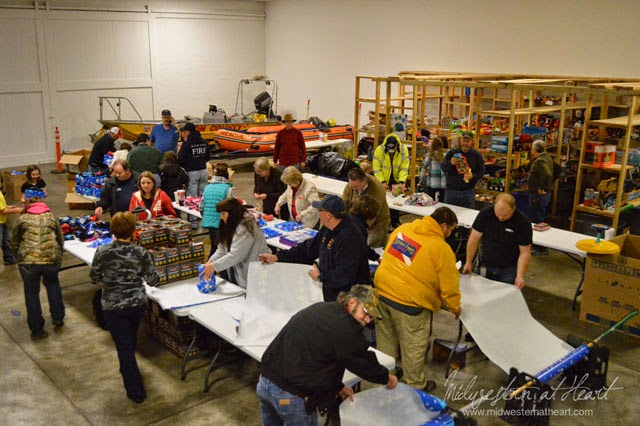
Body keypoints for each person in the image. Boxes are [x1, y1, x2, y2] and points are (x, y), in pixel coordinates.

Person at [257, 284, 398, 426]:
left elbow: (319, 357)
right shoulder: (346, 328)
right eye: (366, 313)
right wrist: (386, 377)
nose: (367, 320)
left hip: (265, 382)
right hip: (290, 395)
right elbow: (362, 363)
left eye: (371, 317)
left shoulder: (324, 309)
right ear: (352, 302)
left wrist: (337, 386)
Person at [374, 206, 461, 391]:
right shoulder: (441, 248)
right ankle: (415, 388)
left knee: (386, 342)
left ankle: (385, 379)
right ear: (444, 226)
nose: (450, 235)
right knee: (413, 347)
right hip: (410, 305)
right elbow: (449, 287)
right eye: (451, 230)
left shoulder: (403, 229)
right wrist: (455, 307)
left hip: (382, 295)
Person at [90, 211, 159, 403]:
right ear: (133, 230)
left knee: (124, 346)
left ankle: (135, 391)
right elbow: (153, 280)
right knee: (129, 339)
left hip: (113, 305)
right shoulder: (141, 252)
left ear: (113, 229)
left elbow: (94, 277)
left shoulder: (103, 251)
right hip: (137, 304)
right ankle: (128, 367)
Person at [259, 195, 371, 301]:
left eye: (320, 210)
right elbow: (307, 249)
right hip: (331, 291)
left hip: (349, 298)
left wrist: (320, 277)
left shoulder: (350, 237)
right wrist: (277, 257)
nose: (318, 213)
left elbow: (344, 275)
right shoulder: (327, 228)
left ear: (328, 215)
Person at [10, 197, 65, 339]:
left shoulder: (22, 218)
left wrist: (18, 256)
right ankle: (58, 318)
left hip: (28, 262)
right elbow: (60, 239)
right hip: (50, 260)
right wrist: (58, 256)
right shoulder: (52, 217)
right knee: (53, 286)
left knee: (31, 293)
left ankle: (37, 328)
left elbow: (14, 240)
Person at [463, 193, 532, 288]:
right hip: (485, 265)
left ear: (513, 209)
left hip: (508, 269)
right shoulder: (485, 213)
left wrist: (520, 275)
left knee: (505, 295)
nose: (501, 218)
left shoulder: (523, 222)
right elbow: (474, 239)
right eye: (498, 214)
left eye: (505, 215)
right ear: (494, 206)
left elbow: (525, 252)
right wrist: (468, 262)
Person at [200, 197, 269, 289]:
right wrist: (210, 262)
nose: (221, 217)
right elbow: (222, 247)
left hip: (255, 271)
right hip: (240, 272)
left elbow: (236, 255)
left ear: (232, 213)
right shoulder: (231, 223)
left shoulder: (246, 228)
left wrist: (214, 266)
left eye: (223, 214)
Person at [342, 166, 390, 248]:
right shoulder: (351, 185)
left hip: (376, 225)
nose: (353, 188)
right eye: (351, 185)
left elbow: (373, 214)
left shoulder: (376, 188)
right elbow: (344, 204)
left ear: (364, 181)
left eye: (355, 186)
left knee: (369, 248)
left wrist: (356, 229)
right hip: (357, 222)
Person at [372, 133, 410, 228]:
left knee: (396, 201)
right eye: (390, 148)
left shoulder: (403, 150)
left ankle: (395, 220)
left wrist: (402, 181)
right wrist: (382, 181)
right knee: (383, 201)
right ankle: (385, 222)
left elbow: (404, 167)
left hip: (396, 178)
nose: (392, 151)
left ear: (397, 145)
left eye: (394, 148)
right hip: (384, 178)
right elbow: (376, 168)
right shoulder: (379, 150)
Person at [178, 122, 210, 229]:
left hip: (192, 173)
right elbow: (208, 157)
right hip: (204, 171)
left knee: (192, 198)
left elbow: (181, 159)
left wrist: (187, 166)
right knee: (203, 197)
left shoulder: (187, 144)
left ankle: (193, 223)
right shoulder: (204, 142)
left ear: (187, 132)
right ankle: (206, 221)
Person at [440, 131, 484, 208]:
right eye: (464, 140)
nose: (465, 143)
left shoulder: (477, 156)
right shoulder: (452, 153)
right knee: (449, 213)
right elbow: (443, 168)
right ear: (460, 141)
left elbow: (481, 172)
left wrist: (472, 176)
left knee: (467, 214)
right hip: (451, 191)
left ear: (472, 142)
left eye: (468, 141)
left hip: (468, 192)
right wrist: (450, 163)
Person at [200, 163, 234, 259]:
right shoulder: (228, 189)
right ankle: (215, 268)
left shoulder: (207, 187)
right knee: (223, 250)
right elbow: (231, 208)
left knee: (214, 247)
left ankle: (209, 267)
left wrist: (206, 217)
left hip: (210, 223)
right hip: (221, 224)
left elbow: (201, 207)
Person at [527, 140, 554, 256]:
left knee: (537, 221)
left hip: (538, 195)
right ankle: (540, 246)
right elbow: (557, 169)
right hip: (544, 194)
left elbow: (547, 174)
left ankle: (539, 248)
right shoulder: (547, 157)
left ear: (534, 150)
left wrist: (542, 187)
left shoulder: (540, 161)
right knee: (540, 219)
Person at [348, 194, 383, 262]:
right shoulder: (359, 228)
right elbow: (363, 248)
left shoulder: (349, 217)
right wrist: (377, 258)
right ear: (367, 210)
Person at [0, 178, 23, 266]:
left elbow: (2, 207)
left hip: (2, 221)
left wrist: (8, 207)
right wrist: (18, 210)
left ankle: (9, 259)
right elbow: (2, 211)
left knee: (6, 240)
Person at [419, 136, 447, 201]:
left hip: (432, 184)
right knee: (442, 203)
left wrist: (420, 181)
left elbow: (423, 169)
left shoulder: (429, 156)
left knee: (431, 202)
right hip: (443, 184)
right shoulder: (445, 156)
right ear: (441, 145)